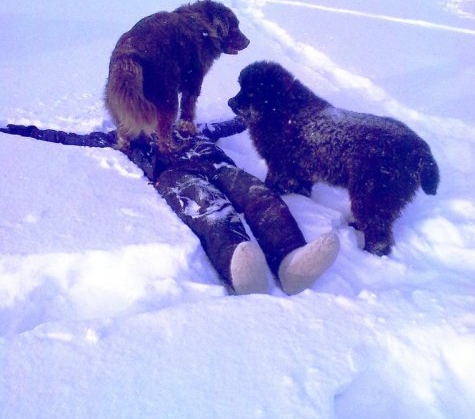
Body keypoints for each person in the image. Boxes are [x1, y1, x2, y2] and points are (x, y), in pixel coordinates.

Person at [0, 119, 339, 295]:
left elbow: (236, 123)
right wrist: (18, 130)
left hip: (219, 166)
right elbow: (66, 138)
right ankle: (242, 272)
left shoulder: (194, 127)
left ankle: (293, 265)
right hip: (176, 178)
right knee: (212, 213)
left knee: (261, 196)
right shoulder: (126, 136)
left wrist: (264, 109)